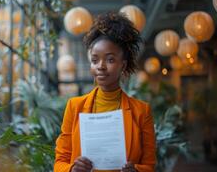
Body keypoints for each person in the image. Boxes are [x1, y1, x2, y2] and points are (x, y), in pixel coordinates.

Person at [54, 12, 156, 172]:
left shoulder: (141, 112)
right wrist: (72, 169)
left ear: (123, 65)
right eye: (95, 60)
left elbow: (149, 166)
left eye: (110, 60)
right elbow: (60, 162)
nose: (100, 66)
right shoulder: (74, 107)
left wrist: (137, 170)